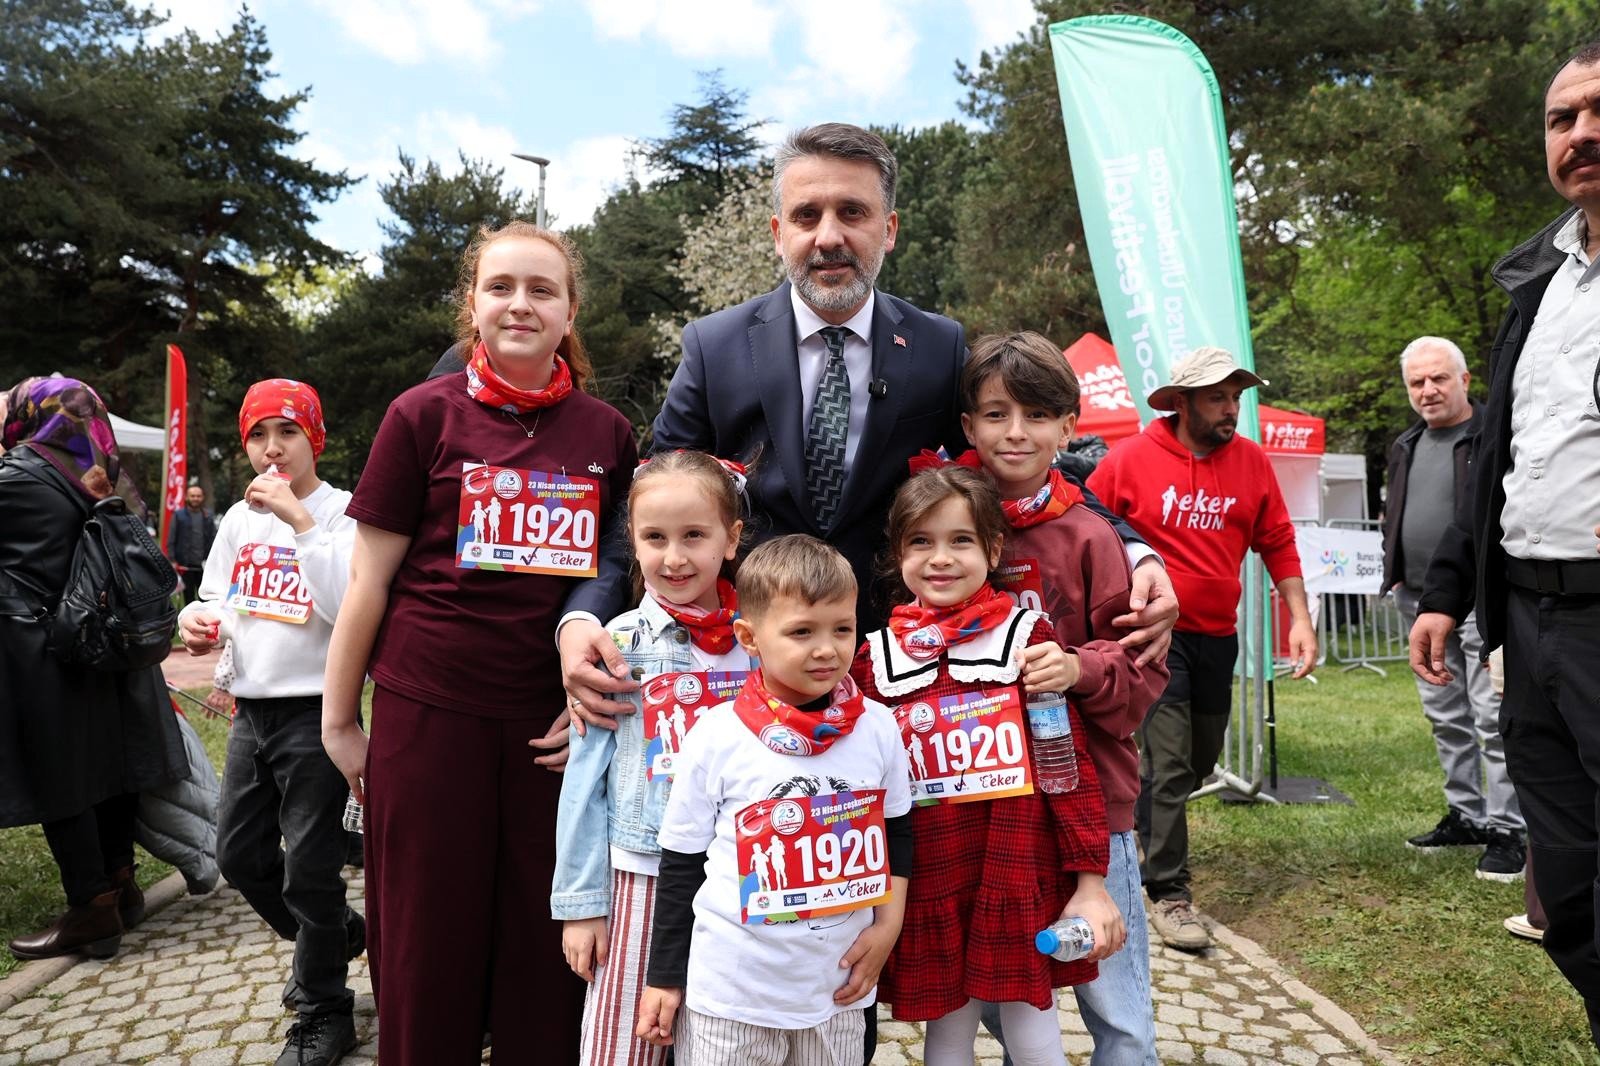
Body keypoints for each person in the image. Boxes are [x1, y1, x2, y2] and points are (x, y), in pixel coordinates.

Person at [322, 220, 637, 1065]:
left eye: (542, 289)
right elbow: (368, 581)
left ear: (570, 311)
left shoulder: (607, 433)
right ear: (473, 305)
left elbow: (613, 582)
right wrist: (339, 721)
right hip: (429, 720)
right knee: (427, 951)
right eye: (501, 287)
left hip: (550, 733)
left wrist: (588, 704)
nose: (520, 304)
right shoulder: (419, 416)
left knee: (548, 956)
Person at [1410, 40, 1600, 1047]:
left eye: (1598, 112)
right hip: (1526, 621)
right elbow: (1495, 459)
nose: (1581, 134)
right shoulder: (1540, 284)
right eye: (1562, 119)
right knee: (1563, 886)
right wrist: (1447, 590)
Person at [850, 466, 1118, 1066]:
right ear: (898, 554)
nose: (941, 558)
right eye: (921, 541)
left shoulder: (1027, 639)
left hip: (1013, 862)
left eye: (961, 540)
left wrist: (1089, 878)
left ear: (993, 550)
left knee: (1033, 1029)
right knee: (946, 1032)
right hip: (932, 870)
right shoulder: (874, 658)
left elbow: (1066, 763)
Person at [958, 332, 1170, 1063]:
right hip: (992, 808)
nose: (1015, 432)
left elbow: (1142, 676)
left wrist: (1078, 670)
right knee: (1007, 1001)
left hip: (1093, 805)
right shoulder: (947, 534)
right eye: (996, 414)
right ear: (969, 426)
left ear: (1069, 427)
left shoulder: (1093, 537)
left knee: (1118, 1011)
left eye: (1038, 415)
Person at [636, 535, 911, 1064]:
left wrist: (887, 926)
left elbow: (896, 831)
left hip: (836, 994)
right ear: (750, 637)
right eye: (802, 632)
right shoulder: (715, 735)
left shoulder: (878, 728)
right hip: (731, 997)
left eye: (842, 629)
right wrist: (665, 978)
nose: (827, 648)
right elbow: (681, 863)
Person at [1088, 347, 1316, 951]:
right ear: (1182, 402)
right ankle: (1169, 893)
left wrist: (1300, 618)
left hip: (1219, 636)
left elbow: (1278, 539)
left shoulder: (1251, 461)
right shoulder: (1130, 458)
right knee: (1168, 765)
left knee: (1199, 759)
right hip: (1153, 638)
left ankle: (1140, 832)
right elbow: (1089, 524)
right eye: (1217, 397)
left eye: (1235, 397)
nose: (1230, 409)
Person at [177, 378, 361, 1066]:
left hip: (319, 711)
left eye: (288, 431)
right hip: (252, 713)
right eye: (258, 434)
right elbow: (219, 596)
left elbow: (346, 606)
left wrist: (299, 521)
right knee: (239, 857)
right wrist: (198, 620)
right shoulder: (237, 518)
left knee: (310, 870)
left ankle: (324, 1010)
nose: (272, 448)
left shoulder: (343, 512)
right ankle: (336, 935)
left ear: (316, 438)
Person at [553, 450, 752, 1065]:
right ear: (633, 544)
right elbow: (583, 783)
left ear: (731, 539)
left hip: (734, 876)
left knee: (717, 1044)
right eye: (655, 538)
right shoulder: (617, 646)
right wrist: (581, 905)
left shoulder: (760, 643)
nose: (674, 557)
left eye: (694, 535)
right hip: (642, 871)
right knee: (624, 1045)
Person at [0, 376, 185, 960]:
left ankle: (91, 909)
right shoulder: (96, 469)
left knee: (62, 778)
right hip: (106, 644)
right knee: (109, 767)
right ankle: (122, 885)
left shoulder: (18, 476)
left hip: (42, 651)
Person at [1383, 337, 1524, 881]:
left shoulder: (1494, 435)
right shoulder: (1406, 444)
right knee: (1446, 717)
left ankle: (1508, 828)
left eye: (1439, 378)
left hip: (1477, 600)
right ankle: (1466, 814)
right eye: (1417, 382)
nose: (1428, 390)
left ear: (1465, 380)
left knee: (1492, 717)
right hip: (1416, 599)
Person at [169, 481, 218, 604]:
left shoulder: (208, 516)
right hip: (185, 566)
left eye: (198, 496)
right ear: (187, 497)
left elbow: (214, 538)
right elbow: (172, 538)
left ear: (202, 497)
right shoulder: (178, 515)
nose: (195, 498)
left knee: (206, 599)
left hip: (204, 566)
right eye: (192, 496)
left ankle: (204, 617)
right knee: (189, 599)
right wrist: (172, 560)